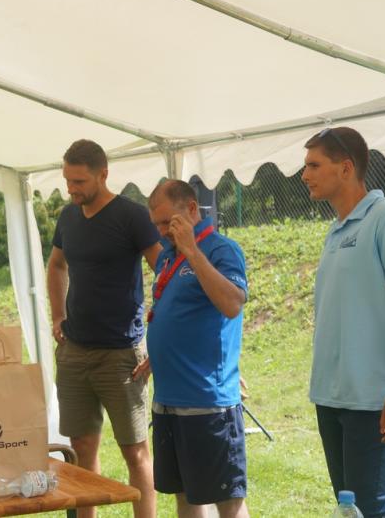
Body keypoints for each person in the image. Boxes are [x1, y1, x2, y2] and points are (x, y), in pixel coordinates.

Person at [302, 126, 385, 517]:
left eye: (314, 165)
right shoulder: (336, 230)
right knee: (349, 508)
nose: (305, 175)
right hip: (332, 398)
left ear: (346, 168)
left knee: (371, 506)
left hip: (374, 401)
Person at [47, 139, 161, 518]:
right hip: (75, 352)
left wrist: (159, 336)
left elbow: (166, 273)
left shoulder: (132, 216)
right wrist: (57, 316)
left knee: (135, 451)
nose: (72, 189)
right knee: (81, 449)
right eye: (68, 180)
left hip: (122, 354)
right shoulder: (68, 217)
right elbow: (56, 265)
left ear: (103, 174)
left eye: (79, 181)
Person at [146, 180, 250, 518]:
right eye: (157, 224)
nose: (162, 232)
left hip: (206, 402)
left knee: (226, 500)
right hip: (168, 398)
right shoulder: (167, 257)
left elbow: (232, 304)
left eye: (167, 222)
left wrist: (192, 251)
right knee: (186, 495)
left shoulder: (221, 250)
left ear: (192, 210)